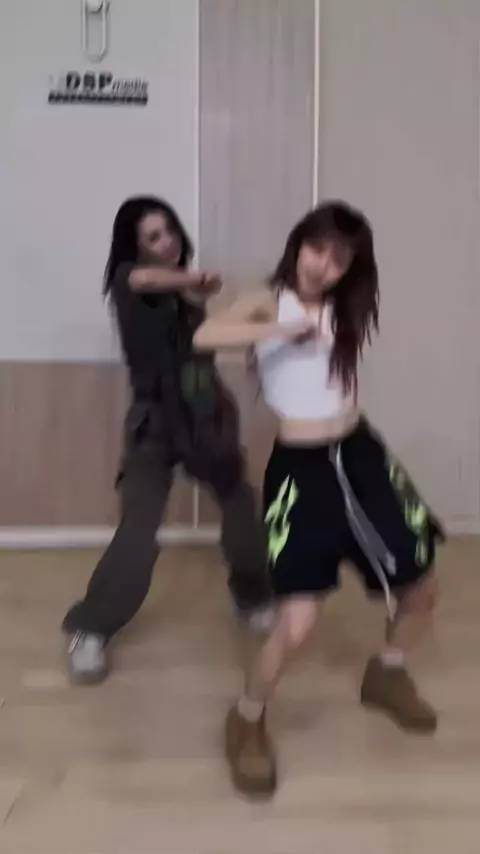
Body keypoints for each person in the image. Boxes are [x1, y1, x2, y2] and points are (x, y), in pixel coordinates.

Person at [194, 201, 444, 797]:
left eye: (338, 259)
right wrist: (281, 329)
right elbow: (206, 334)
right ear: (299, 244)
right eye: (316, 248)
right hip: (301, 471)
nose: (322, 265)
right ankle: (247, 718)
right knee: (299, 620)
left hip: (362, 455)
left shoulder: (345, 306)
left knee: (422, 586)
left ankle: (387, 674)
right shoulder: (269, 298)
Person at [62, 196, 273, 684]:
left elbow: (207, 343)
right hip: (154, 424)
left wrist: (259, 334)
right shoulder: (128, 282)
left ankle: (250, 595)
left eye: (171, 230)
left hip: (204, 414)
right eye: (154, 236)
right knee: (138, 529)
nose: (168, 242)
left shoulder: (186, 296)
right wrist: (190, 280)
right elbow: (144, 279)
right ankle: (91, 628)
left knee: (242, 506)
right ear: (135, 246)